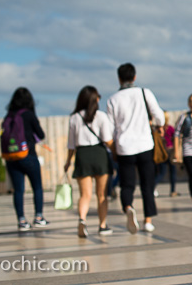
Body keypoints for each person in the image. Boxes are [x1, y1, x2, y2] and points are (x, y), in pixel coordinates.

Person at [106, 63, 165, 234]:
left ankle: (129, 207)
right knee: (148, 183)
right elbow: (159, 116)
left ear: (119, 78)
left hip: (124, 147)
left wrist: (114, 149)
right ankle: (148, 221)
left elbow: (110, 129)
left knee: (127, 184)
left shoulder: (112, 100)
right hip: (145, 144)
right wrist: (157, 124)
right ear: (134, 77)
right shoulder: (144, 93)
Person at [64, 85, 114, 238]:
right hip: (99, 154)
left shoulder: (74, 118)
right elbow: (108, 140)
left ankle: (82, 220)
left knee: (84, 195)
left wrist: (68, 162)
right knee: (101, 195)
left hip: (82, 155)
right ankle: (102, 225)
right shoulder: (101, 116)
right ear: (95, 99)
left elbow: (71, 144)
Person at [3, 87, 49, 231]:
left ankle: (21, 221)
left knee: (18, 190)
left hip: (11, 157)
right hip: (28, 155)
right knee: (37, 187)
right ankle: (39, 217)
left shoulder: (9, 115)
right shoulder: (29, 115)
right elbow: (41, 135)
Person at [154, 111, 178, 197]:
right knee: (172, 172)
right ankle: (172, 191)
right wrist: (176, 151)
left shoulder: (156, 130)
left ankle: (153, 187)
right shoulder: (170, 128)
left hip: (161, 153)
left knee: (161, 172)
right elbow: (175, 139)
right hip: (170, 151)